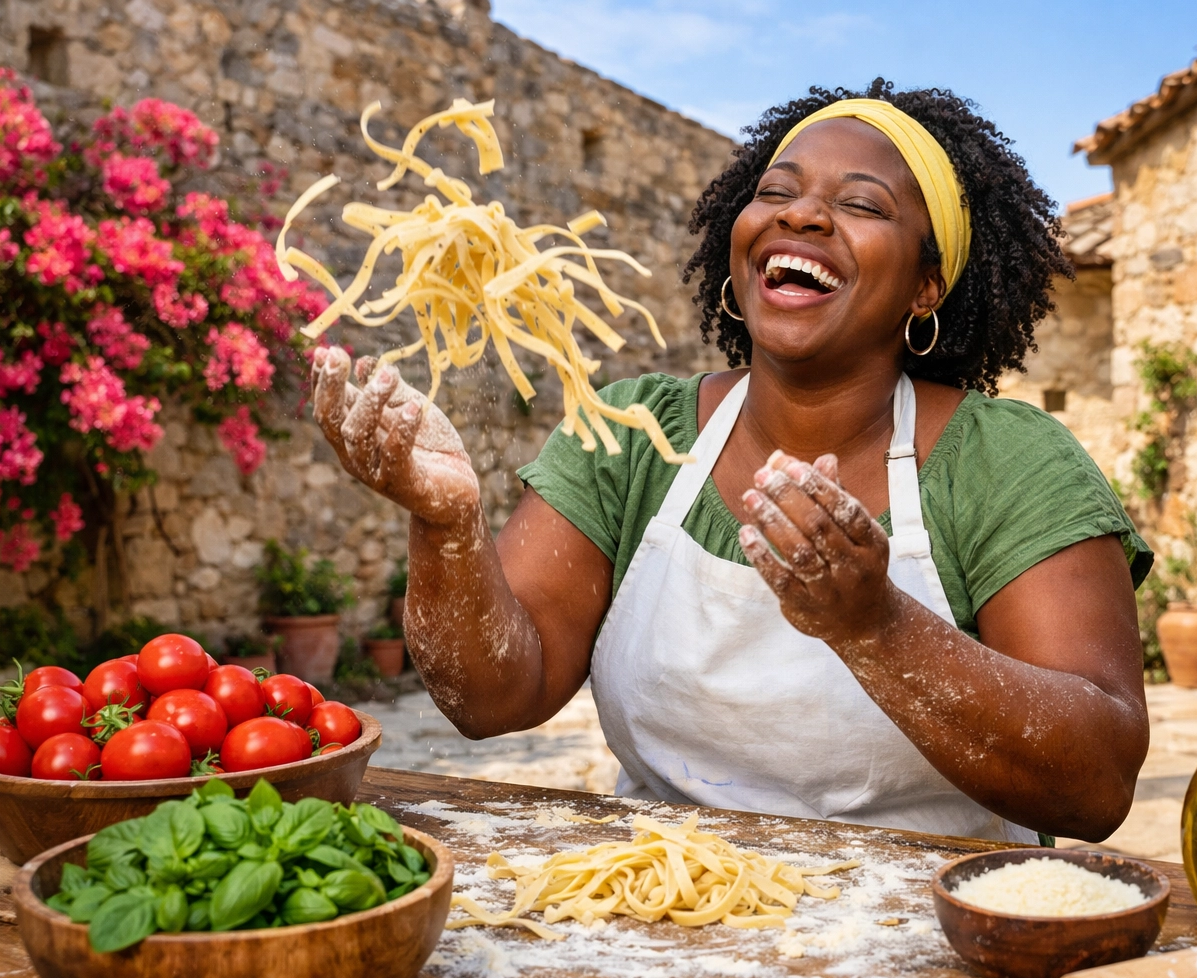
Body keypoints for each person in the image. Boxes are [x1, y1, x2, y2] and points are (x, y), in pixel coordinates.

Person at [310, 79, 1152, 844]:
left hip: (931, 941)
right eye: (775, 193)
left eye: (860, 204)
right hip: (663, 918)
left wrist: (875, 626)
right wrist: (448, 526)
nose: (801, 216)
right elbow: (490, 698)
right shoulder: (634, 431)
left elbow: (1098, 783)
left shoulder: (1007, 460)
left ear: (926, 288)